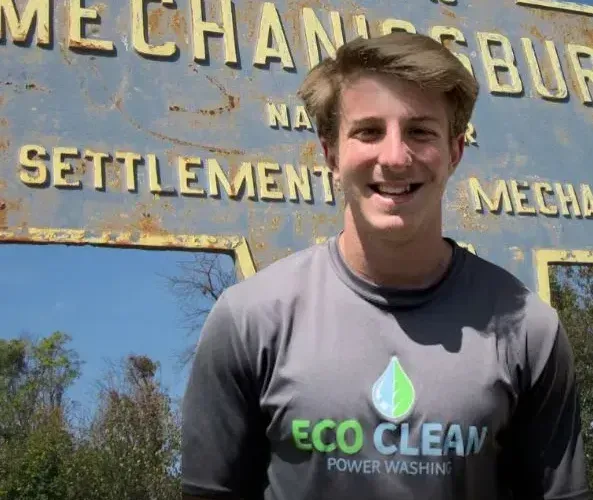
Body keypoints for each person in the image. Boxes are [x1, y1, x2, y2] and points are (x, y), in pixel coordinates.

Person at [181, 31, 590, 499]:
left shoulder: (529, 330)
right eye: (369, 131)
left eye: (420, 131)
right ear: (331, 154)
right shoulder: (248, 320)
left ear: (454, 152)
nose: (395, 157)